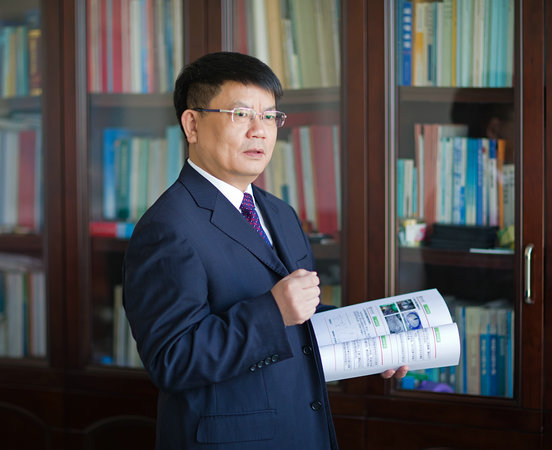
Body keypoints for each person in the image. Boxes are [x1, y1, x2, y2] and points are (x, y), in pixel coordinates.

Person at [123, 51, 406, 450]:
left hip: (302, 432)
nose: (260, 131)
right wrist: (274, 311)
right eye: (241, 114)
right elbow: (172, 359)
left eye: (270, 116)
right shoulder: (167, 227)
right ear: (192, 124)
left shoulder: (279, 212)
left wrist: (374, 340)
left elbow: (297, 315)